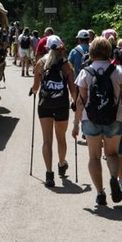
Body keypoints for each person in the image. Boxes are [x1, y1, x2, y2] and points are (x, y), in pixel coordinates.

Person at [72, 37, 122, 206]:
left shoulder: (86, 72)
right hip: (114, 118)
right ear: (109, 51)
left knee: (94, 156)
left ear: (91, 52)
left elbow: (80, 101)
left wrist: (75, 124)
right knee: (112, 154)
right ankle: (114, 178)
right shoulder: (117, 71)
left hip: (90, 119)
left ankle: (100, 193)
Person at [30, 35, 76, 187]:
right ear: (61, 47)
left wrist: (33, 90)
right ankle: (62, 164)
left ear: (47, 47)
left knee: (47, 140)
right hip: (61, 105)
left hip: (45, 105)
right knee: (61, 138)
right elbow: (73, 90)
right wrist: (76, 103)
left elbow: (36, 88)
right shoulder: (67, 65)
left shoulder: (40, 64)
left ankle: (49, 173)